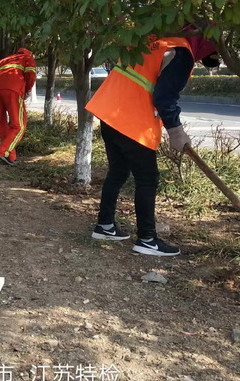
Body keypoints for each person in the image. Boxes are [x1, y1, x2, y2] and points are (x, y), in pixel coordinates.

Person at [85, 32, 220, 257]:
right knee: (147, 179)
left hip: (108, 113)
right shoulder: (180, 52)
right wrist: (176, 131)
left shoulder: (150, 38)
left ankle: (105, 226)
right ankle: (147, 239)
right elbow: (164, 97)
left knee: (118, 171)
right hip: (133, 122)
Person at [0, 48, 37, 165]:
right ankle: (3, 151)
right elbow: (31, 75)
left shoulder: (3, 60)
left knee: (1, 124)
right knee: (19, 126)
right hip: (13, 91)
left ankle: (10, 156)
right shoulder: (28, 58)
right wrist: (26, 90)